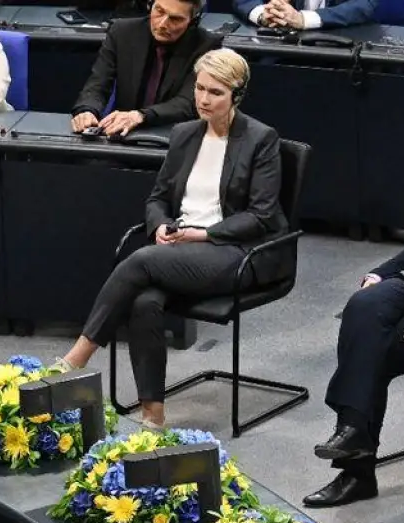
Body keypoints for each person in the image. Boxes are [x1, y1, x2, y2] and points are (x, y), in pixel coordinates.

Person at [61, 49, 292, 430]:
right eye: (199, 88)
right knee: (144, 301)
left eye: (215, 92)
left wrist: (203, 233)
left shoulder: (260, 139)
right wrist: (161, 227)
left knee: (140, 262)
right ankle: (153, 415)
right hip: (181, 248)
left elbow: (262, 215)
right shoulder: (185, 134)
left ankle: (77, 358)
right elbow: (158, 198)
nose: (203, 99)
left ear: (237, 94)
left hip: (237, 251)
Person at [305, 186, 404, 508]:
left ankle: (357, 471)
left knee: (374, 347)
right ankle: (353, 434)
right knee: (363, 307)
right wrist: (379, 274)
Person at [70, 0, 223, 137]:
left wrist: (141, 116)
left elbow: (188, 102)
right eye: (159, 11)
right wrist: (87, 109)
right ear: (150, 5)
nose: (162, 24)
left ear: (192, 21)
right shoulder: (122, 32)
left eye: (175, 19)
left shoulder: (206, 46)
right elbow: (98, 84)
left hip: (174, 138)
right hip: (122, 134)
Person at [234, 0, 375, 29]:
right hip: (280, 48)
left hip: (341, 56)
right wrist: (263, 15)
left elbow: (364, 5)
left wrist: (303, 19)